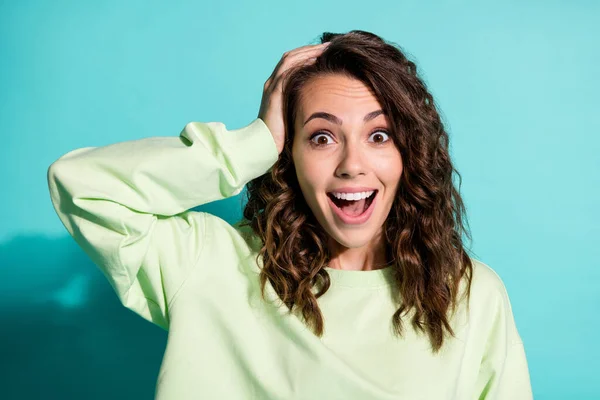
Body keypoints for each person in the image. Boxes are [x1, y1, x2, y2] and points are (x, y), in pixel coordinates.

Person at [47, 30, 533, 399]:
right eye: (322, 137)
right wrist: (251, 143)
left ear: (410, 154)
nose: (352, 164)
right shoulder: (209, 263)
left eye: (379, 135)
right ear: (288, 155)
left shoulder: (469, 294)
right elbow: (81, 185)